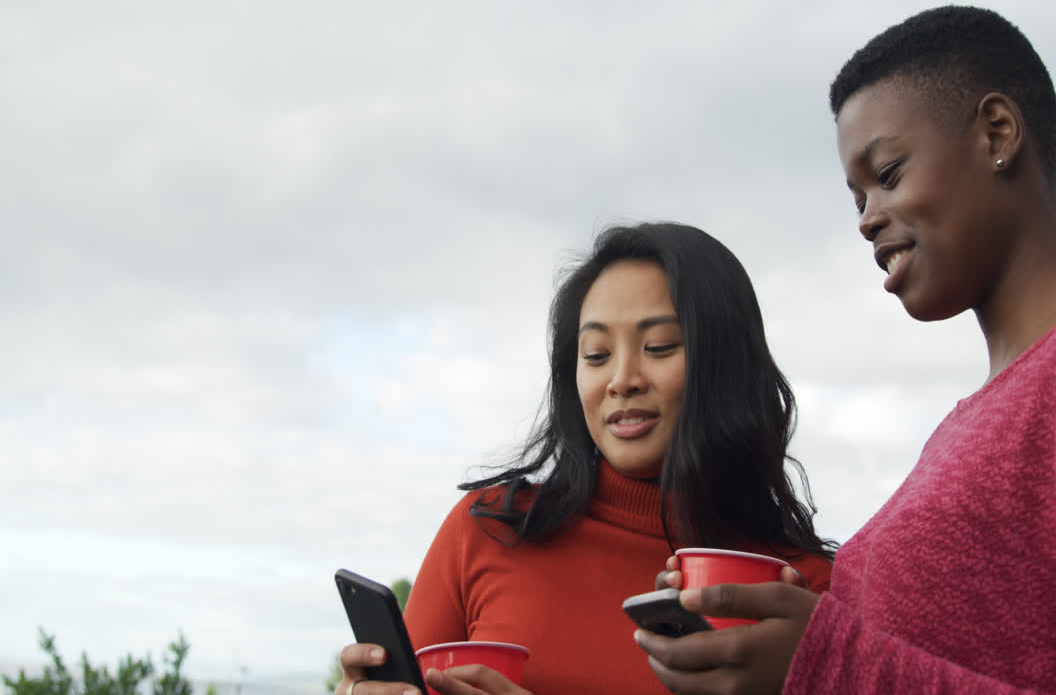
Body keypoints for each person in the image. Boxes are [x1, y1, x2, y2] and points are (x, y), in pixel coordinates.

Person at [635, 5, 1056, 694]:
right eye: (857, 195)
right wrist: (768, 630)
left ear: (997, 133)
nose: (867, 219)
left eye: (889, 173)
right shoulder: (963, 429)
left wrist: (829, 664)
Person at [335, 222, 837, 695]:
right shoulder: (488, 529)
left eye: (659, 346)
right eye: (596, 354)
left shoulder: (798, 591)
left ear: (727, 364)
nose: (622, 379)